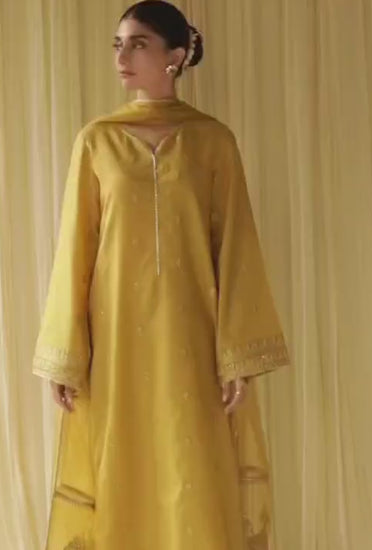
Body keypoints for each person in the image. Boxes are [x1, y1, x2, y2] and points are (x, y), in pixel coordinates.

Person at [32, 1, 290, 548]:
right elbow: (75, 249)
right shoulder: (97, 140)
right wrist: (66, 352)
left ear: (175, 56)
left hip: (193, 337)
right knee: (121, 461)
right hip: (116, 341)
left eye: (138, 43)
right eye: (117, 44)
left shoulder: (212, 141)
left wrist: (238, 356)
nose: (121, 56)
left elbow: (235, 247)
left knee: (193, 463)